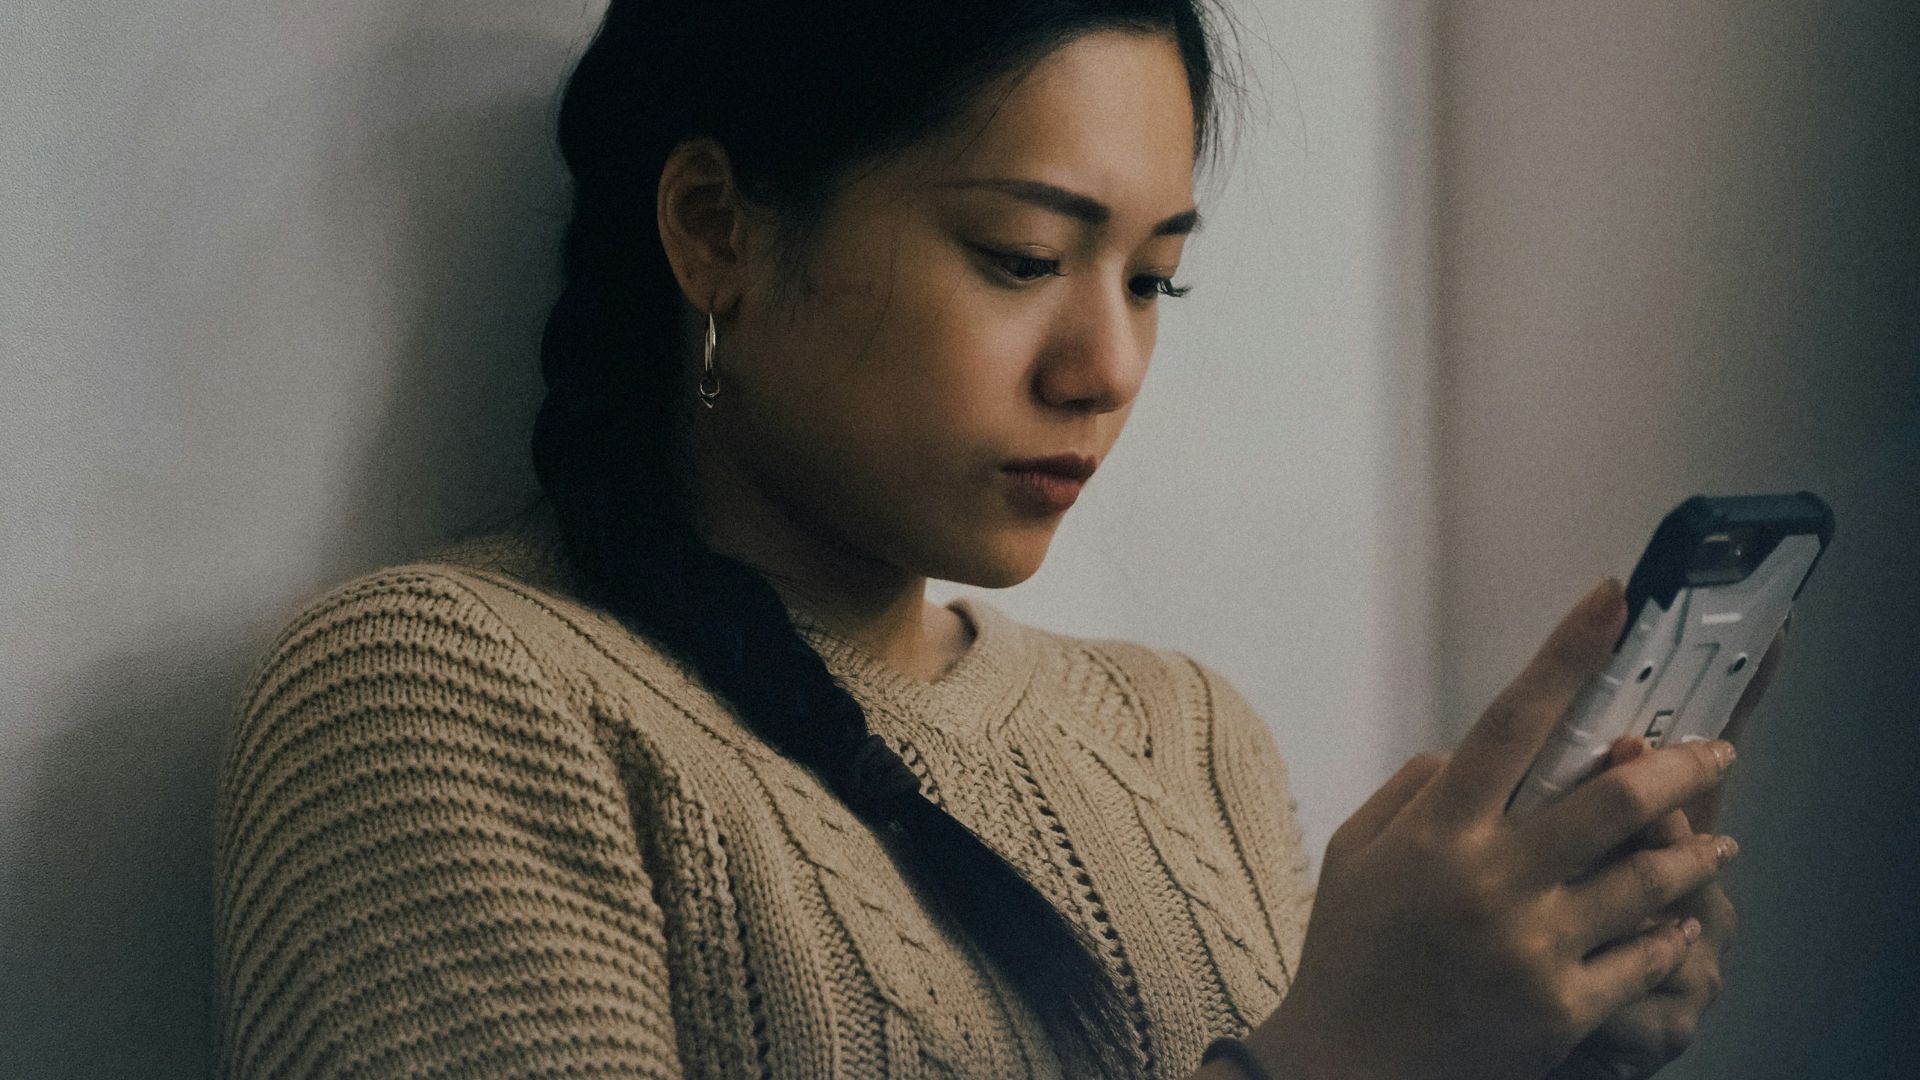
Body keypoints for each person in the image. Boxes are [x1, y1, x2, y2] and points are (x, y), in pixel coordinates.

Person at [211, 1, 1765, 1076]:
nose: (1108, 367)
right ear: (714, 228)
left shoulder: (1183, 732)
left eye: (1155, 279)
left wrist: (1519, 1048)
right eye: (1022, 255)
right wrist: (1344, 1059)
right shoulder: (440, 701)